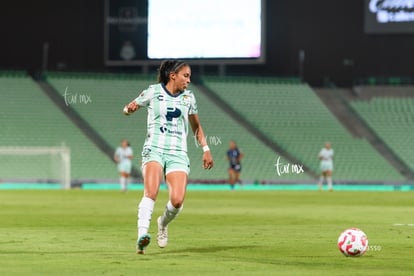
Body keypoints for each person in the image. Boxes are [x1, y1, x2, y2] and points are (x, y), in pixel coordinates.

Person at [122, 60, 214, 254]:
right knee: (151, 192)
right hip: (154, 149)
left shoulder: (189, 98)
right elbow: (130, 107)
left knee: (178, 200)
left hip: (178, 153)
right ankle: (142, 236)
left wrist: (205, 148)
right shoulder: (153, 91)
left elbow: (196, 126)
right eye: (185, 76)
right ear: (173, 75)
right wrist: (128, 110)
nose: (189, 80)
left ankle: (162, 224)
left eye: (189, 76)